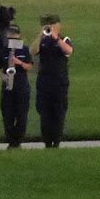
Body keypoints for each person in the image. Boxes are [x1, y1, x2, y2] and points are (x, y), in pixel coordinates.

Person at [34, 14, 73, 148]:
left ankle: (56, 140)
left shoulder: (64, 39)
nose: (48, 27)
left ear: (57, 25)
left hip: (59, 82)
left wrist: (56, 39)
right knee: (44, 112)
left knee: (58, 112)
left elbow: (68, 51)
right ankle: (46, 141)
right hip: (44, 81)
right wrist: (40, 36)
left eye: (51, 24)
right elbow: (33, 51)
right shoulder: (43, 40)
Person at [0, 23, 33, 149]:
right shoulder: (3, 50)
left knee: (22, 115)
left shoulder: (24, 49)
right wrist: (3, 77)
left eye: (15, 35)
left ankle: (18, 140)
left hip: (21, 84)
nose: (13, 38)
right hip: (7, 85)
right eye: (11, 35)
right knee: (8, 114)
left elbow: (29, 66)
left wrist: (19, 62)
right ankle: (11, 141)